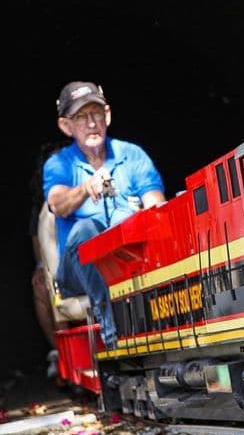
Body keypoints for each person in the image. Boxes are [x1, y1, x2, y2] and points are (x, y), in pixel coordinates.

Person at [43, 81, 166, 348]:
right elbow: (58, 203)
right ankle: (115, 337)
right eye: (80, 117)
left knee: (129, 220)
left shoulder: (132, 155)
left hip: (129, 260)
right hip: (77, 272)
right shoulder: (59, 163)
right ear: (66, 126)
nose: (90, 123)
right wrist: (87, 188)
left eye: (95, 113)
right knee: (86, 229)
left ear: (107, 115)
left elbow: (155, 205)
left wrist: (142, 216)